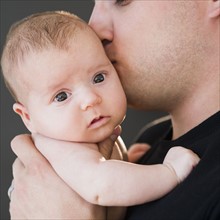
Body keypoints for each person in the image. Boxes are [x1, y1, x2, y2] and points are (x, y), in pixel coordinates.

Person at [1, 11, 200, 220]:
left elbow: (101, 175)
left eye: (98, 77)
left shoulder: (79, 137)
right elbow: (102, 185)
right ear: (28, 117)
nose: (90, 99)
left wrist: (126, 162)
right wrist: (170, 172)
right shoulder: (58, 149)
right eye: (61, 96)